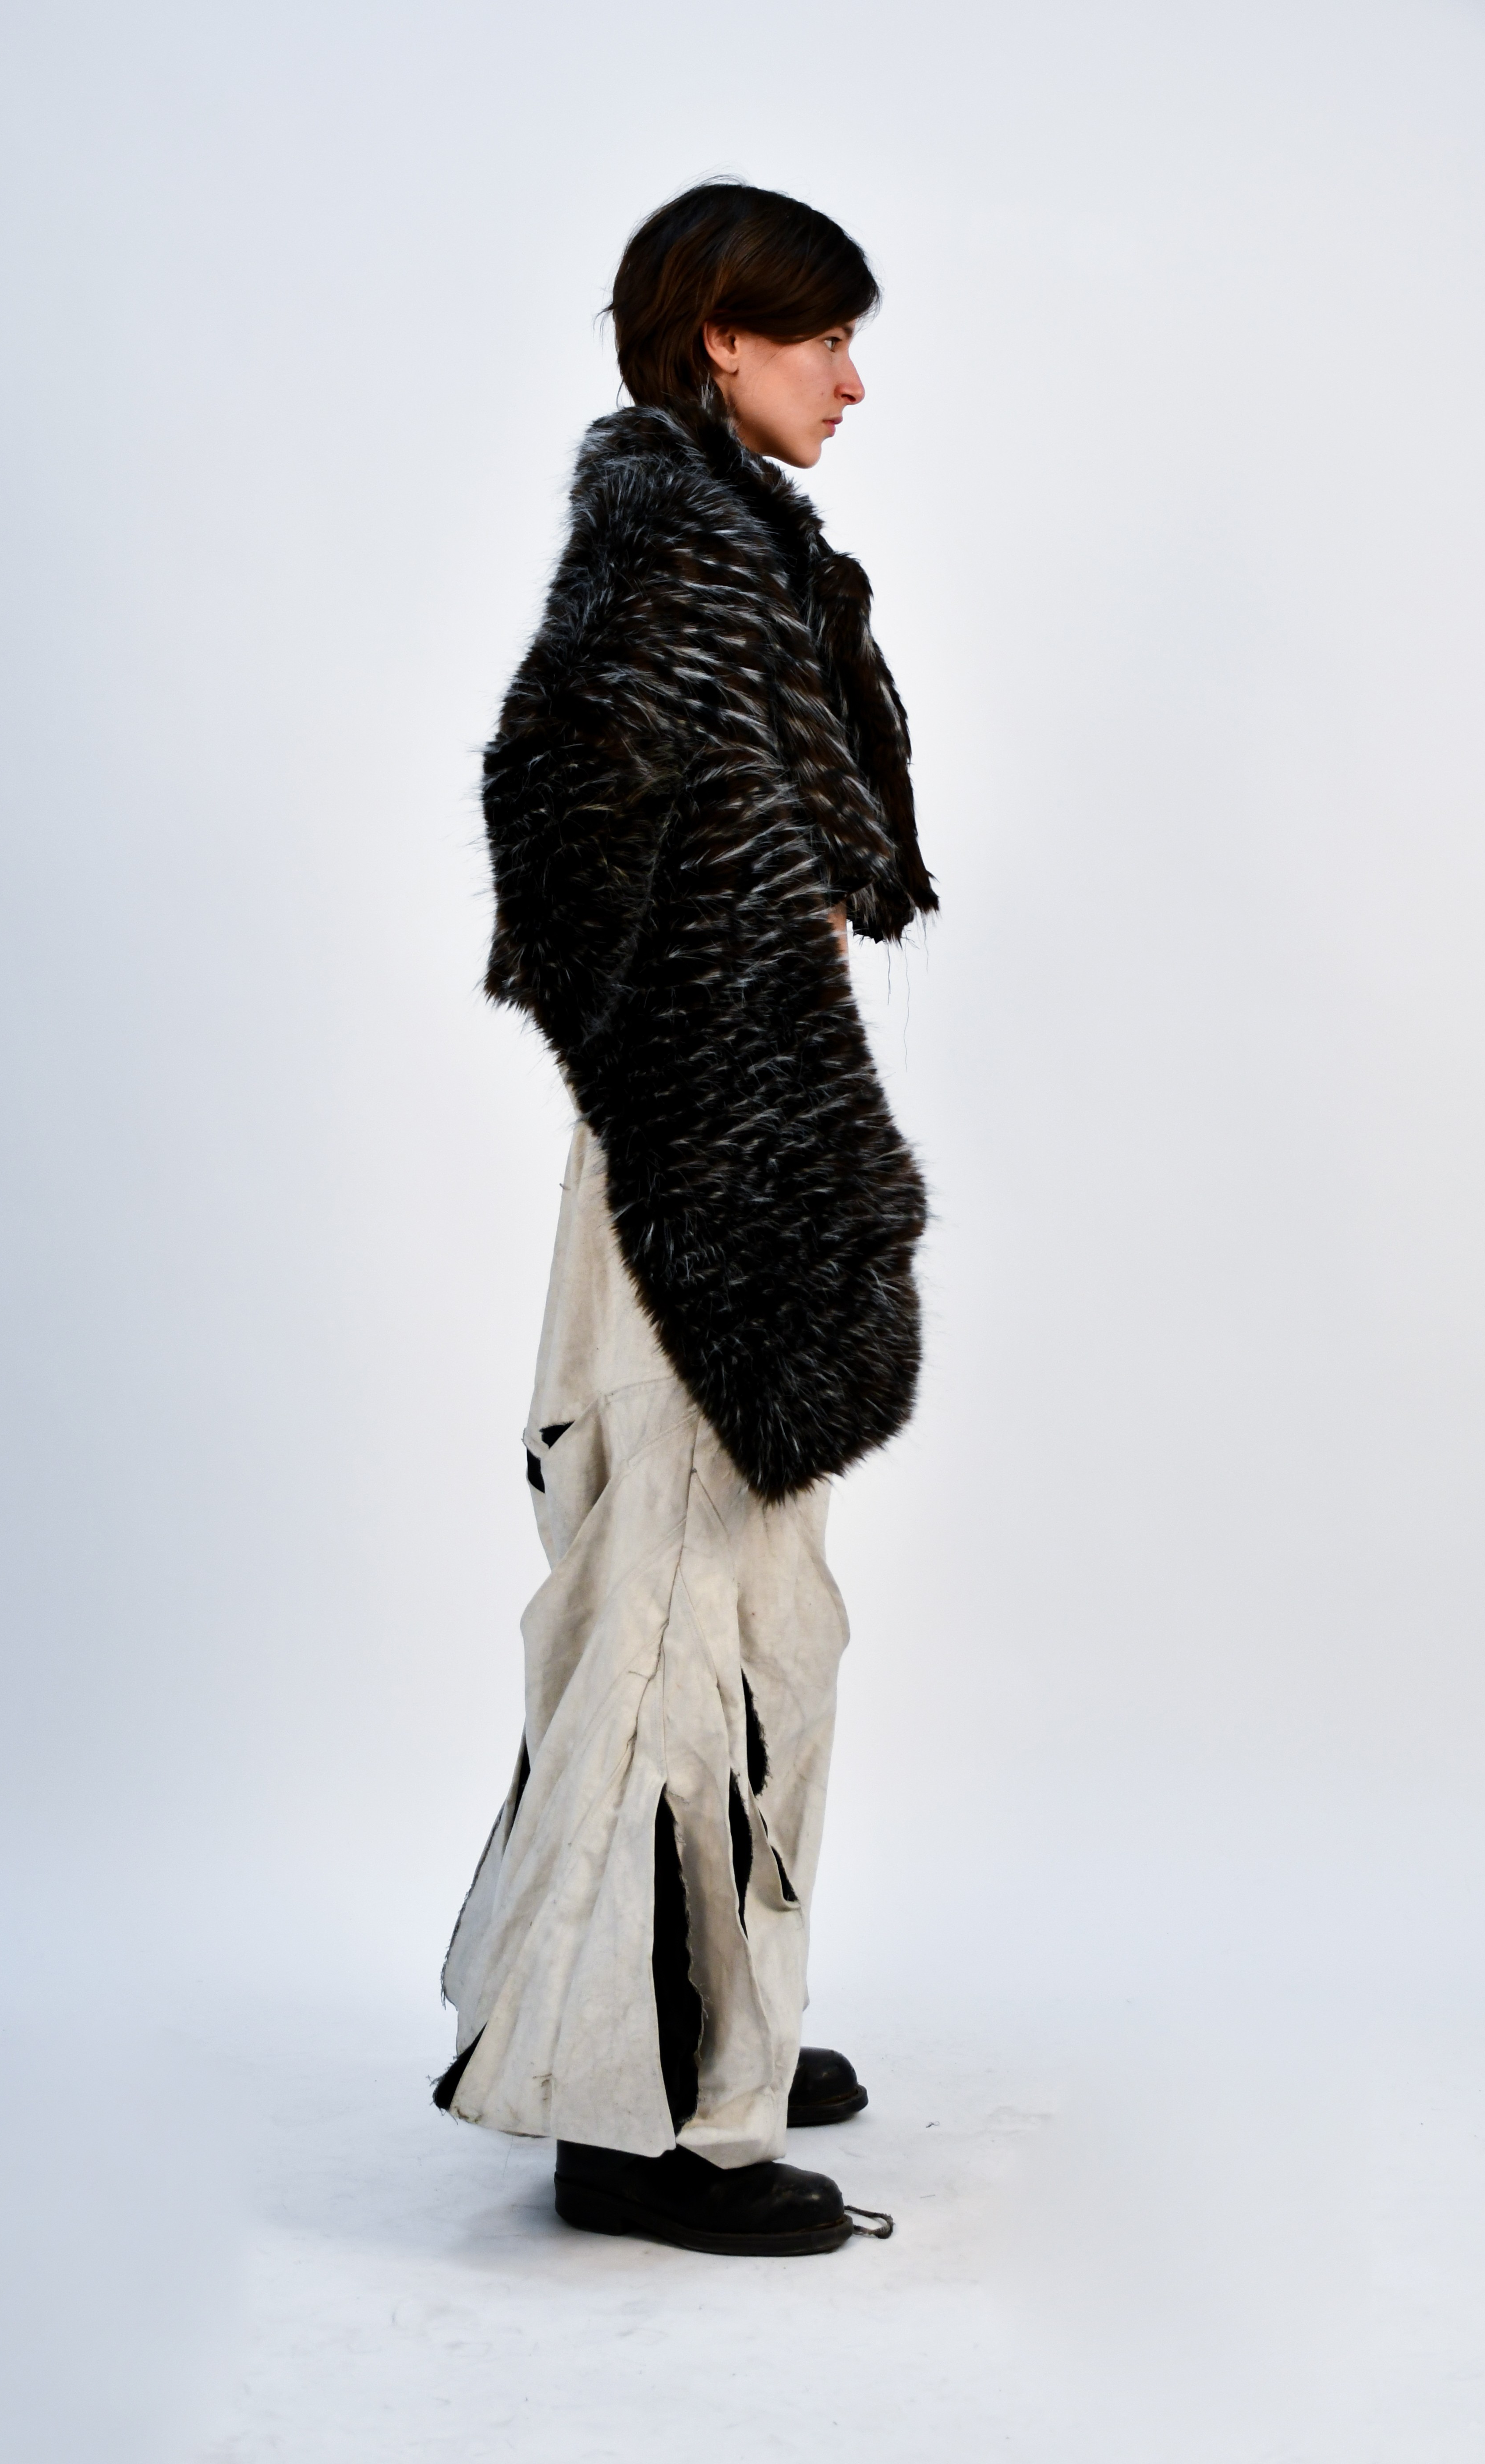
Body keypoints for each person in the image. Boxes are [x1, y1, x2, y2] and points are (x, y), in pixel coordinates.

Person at [435, 180, 937, 2257]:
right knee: (670, 1607)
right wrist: (700, 1036)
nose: (851, 378)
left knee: (751, 1604)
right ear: (719, 337)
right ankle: (627, 2123)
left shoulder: (738, 544)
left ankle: (695, 2015)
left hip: (741, 1122)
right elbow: (547, 812)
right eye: (820, 336)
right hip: (695, 1141)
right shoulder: (672, 550)